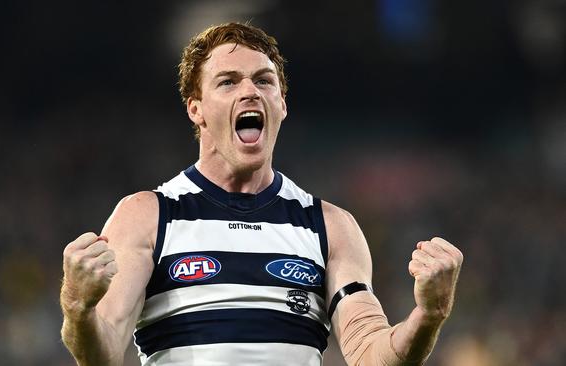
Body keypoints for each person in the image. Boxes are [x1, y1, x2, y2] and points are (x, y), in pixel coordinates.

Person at [60, 22, 463, 366]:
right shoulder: (147, 216)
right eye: (228, 81)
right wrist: (78, 308)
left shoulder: (330, 227)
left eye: (264, 80)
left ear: (281, 105)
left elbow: (370, 353)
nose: (250, 91)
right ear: (196, 109)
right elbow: (105, 351)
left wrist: (429, 315)